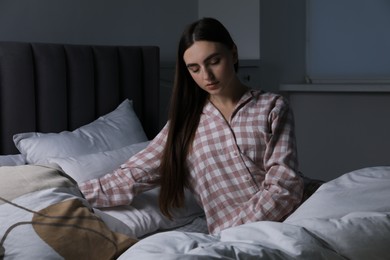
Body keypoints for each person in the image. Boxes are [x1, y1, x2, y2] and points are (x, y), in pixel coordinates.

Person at [79, 17, 304, 234]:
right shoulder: (184, 125)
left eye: (214, 61)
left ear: (233, 53)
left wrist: (234, 231)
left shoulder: (272, 106)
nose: (207, 75)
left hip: (296, 217)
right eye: (194, 68)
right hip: (235, 237)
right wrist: (65, 192)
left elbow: (285, 186)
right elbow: (131, 177)